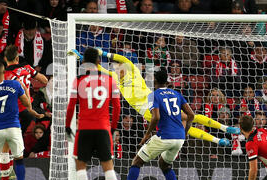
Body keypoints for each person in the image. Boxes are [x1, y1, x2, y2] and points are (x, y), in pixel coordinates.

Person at [68, 48, 239, 147]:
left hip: (156, 102)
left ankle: (224, 129)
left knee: (187, 117)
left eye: (117, 66)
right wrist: (81, 57)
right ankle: (218, 140)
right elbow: (97, 68)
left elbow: (123, 58)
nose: (115, 68)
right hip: (148, 112)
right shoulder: (114, 78)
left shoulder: (132, 72)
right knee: (182, 124)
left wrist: (103, 53)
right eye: (114, 66)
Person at [120, 69, 195, 180]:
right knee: (164, 164)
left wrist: (147, 134)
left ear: (154, 80)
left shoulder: (153, 95)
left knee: (137, 161)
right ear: (167, 80)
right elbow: (191, 115)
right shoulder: (177, 94)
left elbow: (156, 117)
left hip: (164, 136)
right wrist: (186, 131)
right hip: (179, 138)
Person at [65, 47, 122, 180]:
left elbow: (71, 107)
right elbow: (117, 107)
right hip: (103, 128)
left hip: (84, 128)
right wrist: (113, 128)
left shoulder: (78, 80)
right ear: (99, 61)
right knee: (108, 166)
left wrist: (67, 125)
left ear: (83, 62)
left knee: (81, 165)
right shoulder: (110, 80)